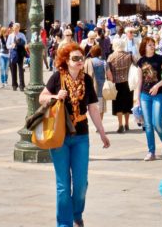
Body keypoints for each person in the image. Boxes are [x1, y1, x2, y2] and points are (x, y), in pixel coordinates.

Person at [40, 42, 109, 227]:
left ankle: (76, 213)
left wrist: (102, 133)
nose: (79, 61)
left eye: (81, 58)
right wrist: (55, 97)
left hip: (80, 136)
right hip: (59, 136)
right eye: (75, 58)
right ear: (66, 61)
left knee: (80, 184)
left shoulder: (86, 80)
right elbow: (42, 97)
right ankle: (64, 223)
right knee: (63, 185)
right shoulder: (57, 78)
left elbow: (93, 108)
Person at [134, 37, 162, 161]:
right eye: (149, 45)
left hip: (158, 95)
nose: (152, 46)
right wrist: (137, 98)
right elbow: (139, 81)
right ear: (144, 46)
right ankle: (151, 151)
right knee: (148, 125)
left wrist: (157, 85)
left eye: (153, 44)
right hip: (145, 95)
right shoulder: (141, 61)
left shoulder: (160, 59)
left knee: (157, 123)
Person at [106, 36, 134, 133]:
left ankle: (120, 124)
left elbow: (108, 71)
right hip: (128, 82)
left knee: (118, 105)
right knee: (127, 103)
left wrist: (110, 80)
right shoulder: (129, 55)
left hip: (116, 83)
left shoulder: (111, 57)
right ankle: (127, 124)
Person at [7, 23, 27, 92]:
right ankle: (14, 85)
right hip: (12, 54)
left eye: (17, 28)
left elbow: (25, 43)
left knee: (21, 70)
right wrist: (12, 46)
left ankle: (22, 85)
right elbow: (7, 45)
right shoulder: (10, 36)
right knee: (13, 70)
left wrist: (20, 43)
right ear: (13, 28)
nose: (15, 30)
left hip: (20, 54)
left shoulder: (22, 35)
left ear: (19, 28)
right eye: (14, 28)